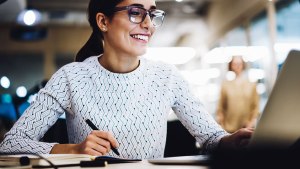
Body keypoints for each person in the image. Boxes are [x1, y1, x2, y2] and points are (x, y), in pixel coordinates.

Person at [0, 0, 253, 159]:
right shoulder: (70, 77)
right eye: (135, 12)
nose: (148, 25)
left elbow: (211, 139)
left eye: (152, 14)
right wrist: (73, 149)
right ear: (103, 21)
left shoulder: (167, 77)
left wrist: (233, 140)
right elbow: (11, 143)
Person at [216, 56, 260, 133]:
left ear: (243, 65)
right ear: (231, 66)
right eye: (235, 64)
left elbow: (255, 107)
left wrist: (251, 123)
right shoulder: (225, 85)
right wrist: (222, 125)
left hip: (247, 128)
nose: (237, 66)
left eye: (239, 63)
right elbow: (221, 108)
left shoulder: (251, 85)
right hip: (229, 129)